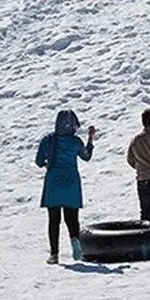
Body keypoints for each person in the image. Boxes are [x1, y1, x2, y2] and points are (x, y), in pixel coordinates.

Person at [36, 110, 95, 264]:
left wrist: (46, 164)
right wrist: (90, 140)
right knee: (72, 218)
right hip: (71, 183)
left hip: (53, 183)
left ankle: (54, 254)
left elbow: (39, 161)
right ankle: (75, 242)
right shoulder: (75, 142)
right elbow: (86, 156)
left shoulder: (48, 140)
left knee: (53, 220)